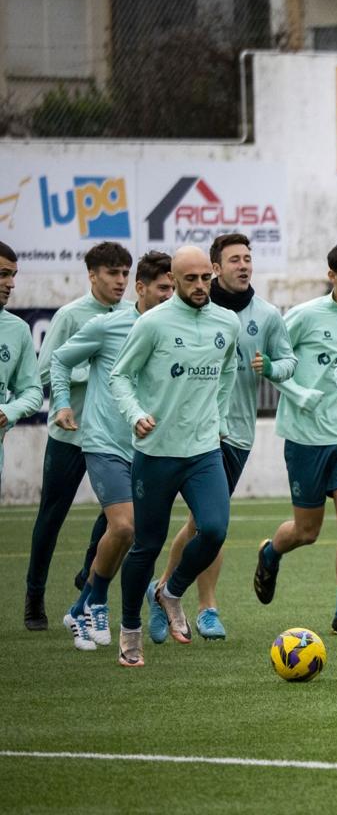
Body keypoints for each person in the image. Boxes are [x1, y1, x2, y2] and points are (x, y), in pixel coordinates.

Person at [144, 234, 296, 642]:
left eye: (248, 258)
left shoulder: (266, 315)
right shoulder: (190, 313)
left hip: (235, 432)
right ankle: (198, 603)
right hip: (187, 430)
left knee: (204, 523)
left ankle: (164, 589)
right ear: (215, 267)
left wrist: (272, 368)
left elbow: (289, 361)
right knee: (207, 524)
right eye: (234, 260)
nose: (244, 265)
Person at [109, 246, 240, 666]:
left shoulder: (227, 321)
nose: (201, 286)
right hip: (157, 453)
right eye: (191, 280)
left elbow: (229, 370)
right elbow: (121, 377)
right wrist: (135, 415)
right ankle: (130, 630)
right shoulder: (153, 324)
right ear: (175, 279)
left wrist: (218, 416)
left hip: (203, 450)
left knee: (215, 530)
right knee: (145, 545)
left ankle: (171, 590)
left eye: (206, 278)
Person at [49, 252, 175, 651]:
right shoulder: (106, 325)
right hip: (104, 442)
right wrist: (63, 404)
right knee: (123, 525)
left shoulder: (175, 329)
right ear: (141, 288)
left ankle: (81, 605)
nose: (169, 295)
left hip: (148, 448)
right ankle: (99, 601)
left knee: (136, 535)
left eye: (173, 288)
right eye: (163, 288)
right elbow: (59, 359)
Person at [253, 241, 337, 635]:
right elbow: (271, 362)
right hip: (306, 437)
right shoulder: (304, 317)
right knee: (306, 531)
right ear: (332, 276)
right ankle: (271, 552)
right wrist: (291, 385)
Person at [24, 241, 131, 631]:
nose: (121, 281)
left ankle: (88, 575)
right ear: (92, 275)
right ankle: (34, 595)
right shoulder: (72, 316)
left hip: (112, 437)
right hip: (69, 435)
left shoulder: (132, 317)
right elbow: (47, 369)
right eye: (112, 273)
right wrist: (86, 376)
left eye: (125, 274)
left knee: (116, 518)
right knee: (51, 517)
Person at [0, 242, 43, 496]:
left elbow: (33, 391)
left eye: (13, 275)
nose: (11, 284)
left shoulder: (18, 330)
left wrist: (8, 410)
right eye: (3, 274)